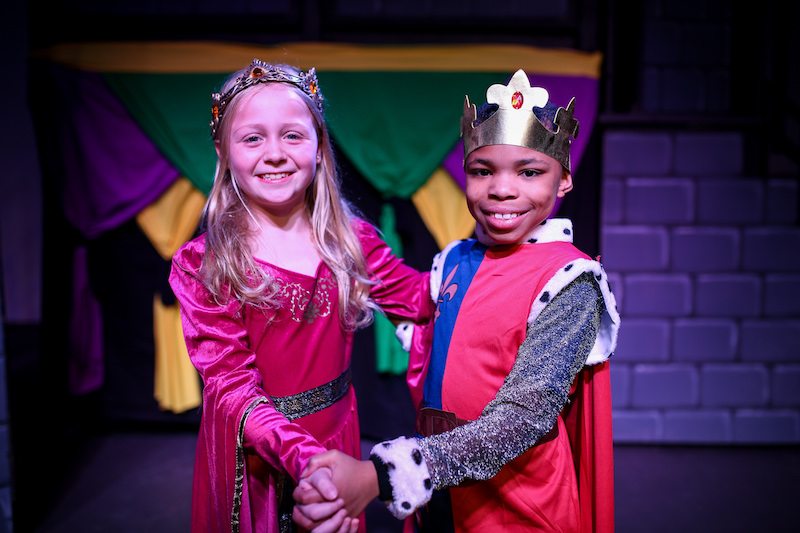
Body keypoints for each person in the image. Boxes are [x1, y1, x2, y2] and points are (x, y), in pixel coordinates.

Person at [292, 69, 621, 532]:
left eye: (529, 172)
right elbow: (393, 287)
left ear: (564, 180)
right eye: (482, 171)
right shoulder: (453, 262)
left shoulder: (570, 281)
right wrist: (308, 206)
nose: (502, 188)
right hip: (441, 501)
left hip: (519, 508)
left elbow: (521, 419)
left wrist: (380, 475)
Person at [168, 59, 433, 533]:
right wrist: (314, 464)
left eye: (293, 135)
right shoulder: (206, 263)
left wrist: (494, 262)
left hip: (336, 437)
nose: (275, 153)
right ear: (224, 153)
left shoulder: (352, 241)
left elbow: (421, 299)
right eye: (252, 138)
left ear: (319, 149)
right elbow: (231, 388)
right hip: (258, 459)